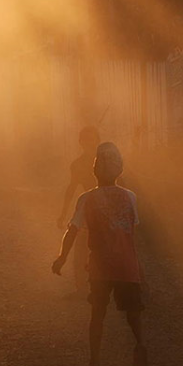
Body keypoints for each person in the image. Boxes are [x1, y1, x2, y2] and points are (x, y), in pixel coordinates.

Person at [52, 142, 148, 366]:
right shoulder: (130, 198)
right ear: (120, 171)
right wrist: (140, 268)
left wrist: (62, 258)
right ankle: (141, 349)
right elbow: (132, 234)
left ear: (94, 171)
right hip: (127, 265)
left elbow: (72, 231)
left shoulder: (87, 199)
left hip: (100, 267)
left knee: (97, 314)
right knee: (133, 314)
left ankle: (94, 364)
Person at [56, 126, 101, 296]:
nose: (90, 143)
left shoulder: (106, 160)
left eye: (93, 139)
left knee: (114, 247)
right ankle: (80, 287)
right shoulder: (78, 165)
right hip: (89, 208)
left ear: (98, 140)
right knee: (81, 248)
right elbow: (71, 188)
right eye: (86, 139)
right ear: (81, 142)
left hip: (108, 207)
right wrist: (63, 213)